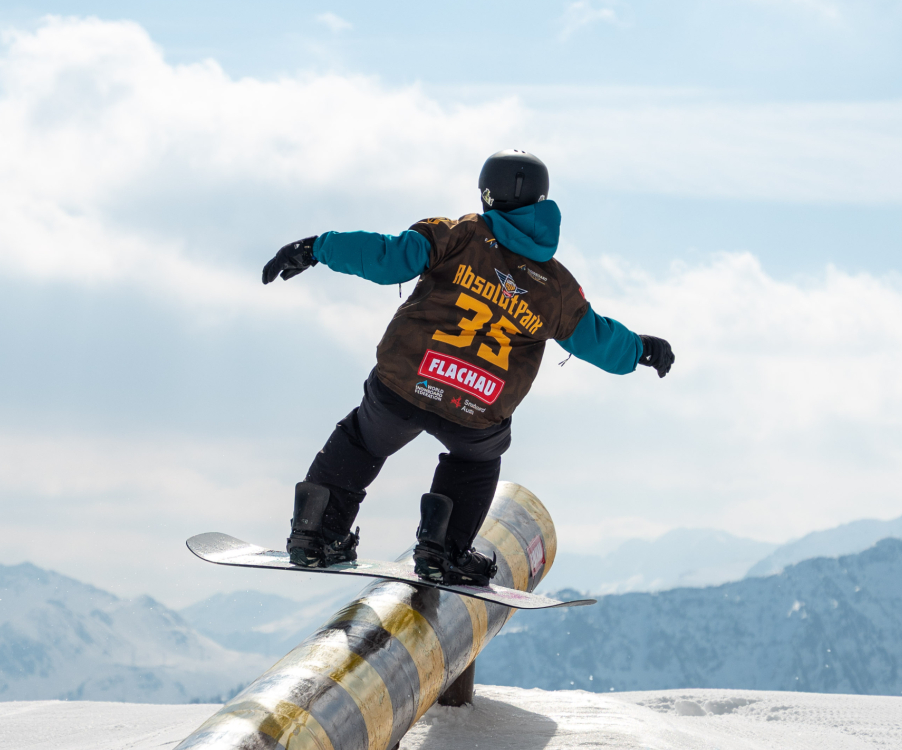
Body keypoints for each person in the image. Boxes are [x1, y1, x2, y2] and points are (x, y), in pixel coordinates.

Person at [262, 149, 675, 586]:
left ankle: (316, 533)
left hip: (405, 383)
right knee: (476, 462)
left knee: (363, 440)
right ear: (543, 201)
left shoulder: (457, 235)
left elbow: (388, 257)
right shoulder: (556, 289)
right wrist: (641, 349)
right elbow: (597, 340)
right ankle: (442, 551)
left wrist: (316, 248)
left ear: (486, 194)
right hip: (477, 404)